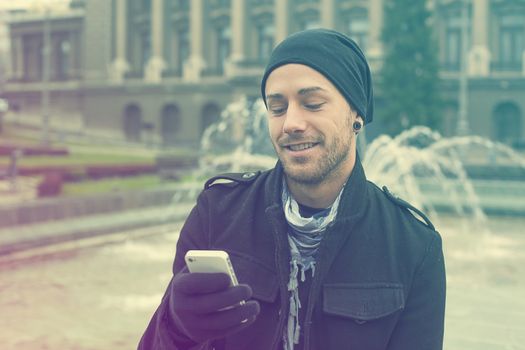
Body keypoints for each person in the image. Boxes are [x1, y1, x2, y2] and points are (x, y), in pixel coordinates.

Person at [139, 29, 446, 350]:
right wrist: (175, 328)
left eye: (312, 103)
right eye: (277, 107)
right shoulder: (218, 212)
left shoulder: (414, 246)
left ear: (356, 113)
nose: (291, 123)